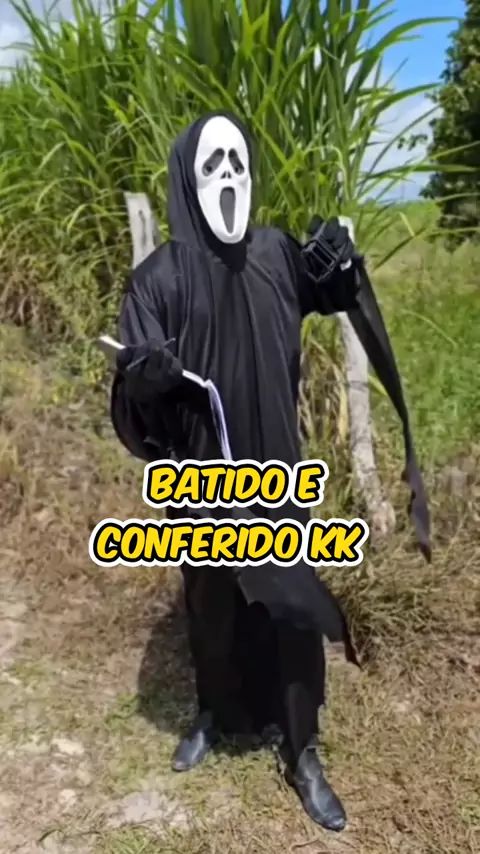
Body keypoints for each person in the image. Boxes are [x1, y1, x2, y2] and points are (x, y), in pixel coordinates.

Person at [110, 111, 430, 832]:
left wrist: (338, 265)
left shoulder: (276, 254)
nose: (229, 177)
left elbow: (331, 289)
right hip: (200, 483)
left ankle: (303, 747)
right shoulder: (158, 279)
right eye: (213, 166)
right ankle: (216, 713)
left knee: (290, 605)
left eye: (238, 163)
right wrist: (143, 380)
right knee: (211, 600)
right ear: (187, 179)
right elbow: (133, 391)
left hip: (278, 475)